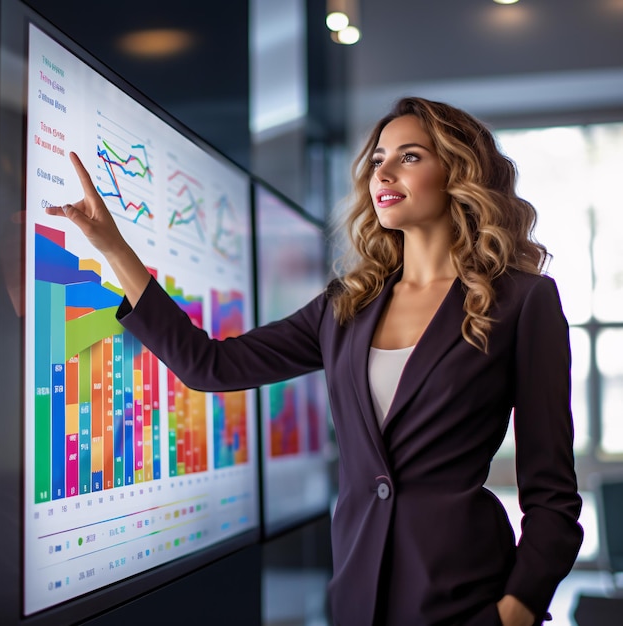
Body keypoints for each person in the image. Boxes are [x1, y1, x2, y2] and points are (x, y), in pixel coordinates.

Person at [47, 96, 583, 626]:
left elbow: (553, 496)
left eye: (410, 156)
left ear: (459, 172)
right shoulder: (347, 305)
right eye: (377, 160)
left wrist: (515, 611)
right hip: (356, 595)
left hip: (466, 597)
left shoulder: (521, 301)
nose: (384, 172)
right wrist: (113, 246)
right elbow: (210, 366)